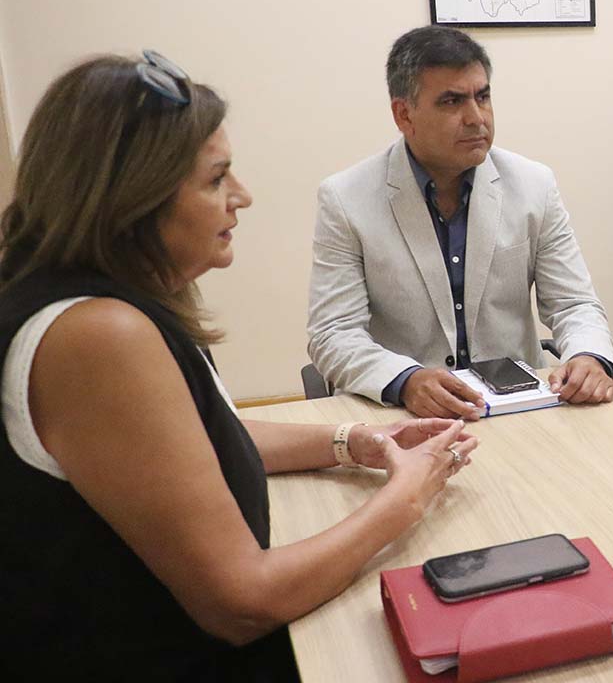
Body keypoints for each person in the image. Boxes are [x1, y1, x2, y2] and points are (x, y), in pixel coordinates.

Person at [0, 52, 478, 681]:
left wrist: (355, 441)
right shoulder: (98, 336)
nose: (242, 197)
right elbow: (243, 603)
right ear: (134, 198)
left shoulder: (89, 304)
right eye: (216, 179)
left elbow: (186, 444)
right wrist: (405, 498)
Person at [307, 25, 613, 418]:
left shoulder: (533, 184)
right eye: (452, 101)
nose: (476, 118)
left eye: (482, 97)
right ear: (404, 114)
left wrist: (588, 356)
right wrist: (406, 381)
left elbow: (574, 304)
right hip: (408, 415)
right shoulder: (346, 199)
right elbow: (333, 333)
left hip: (519, 407)